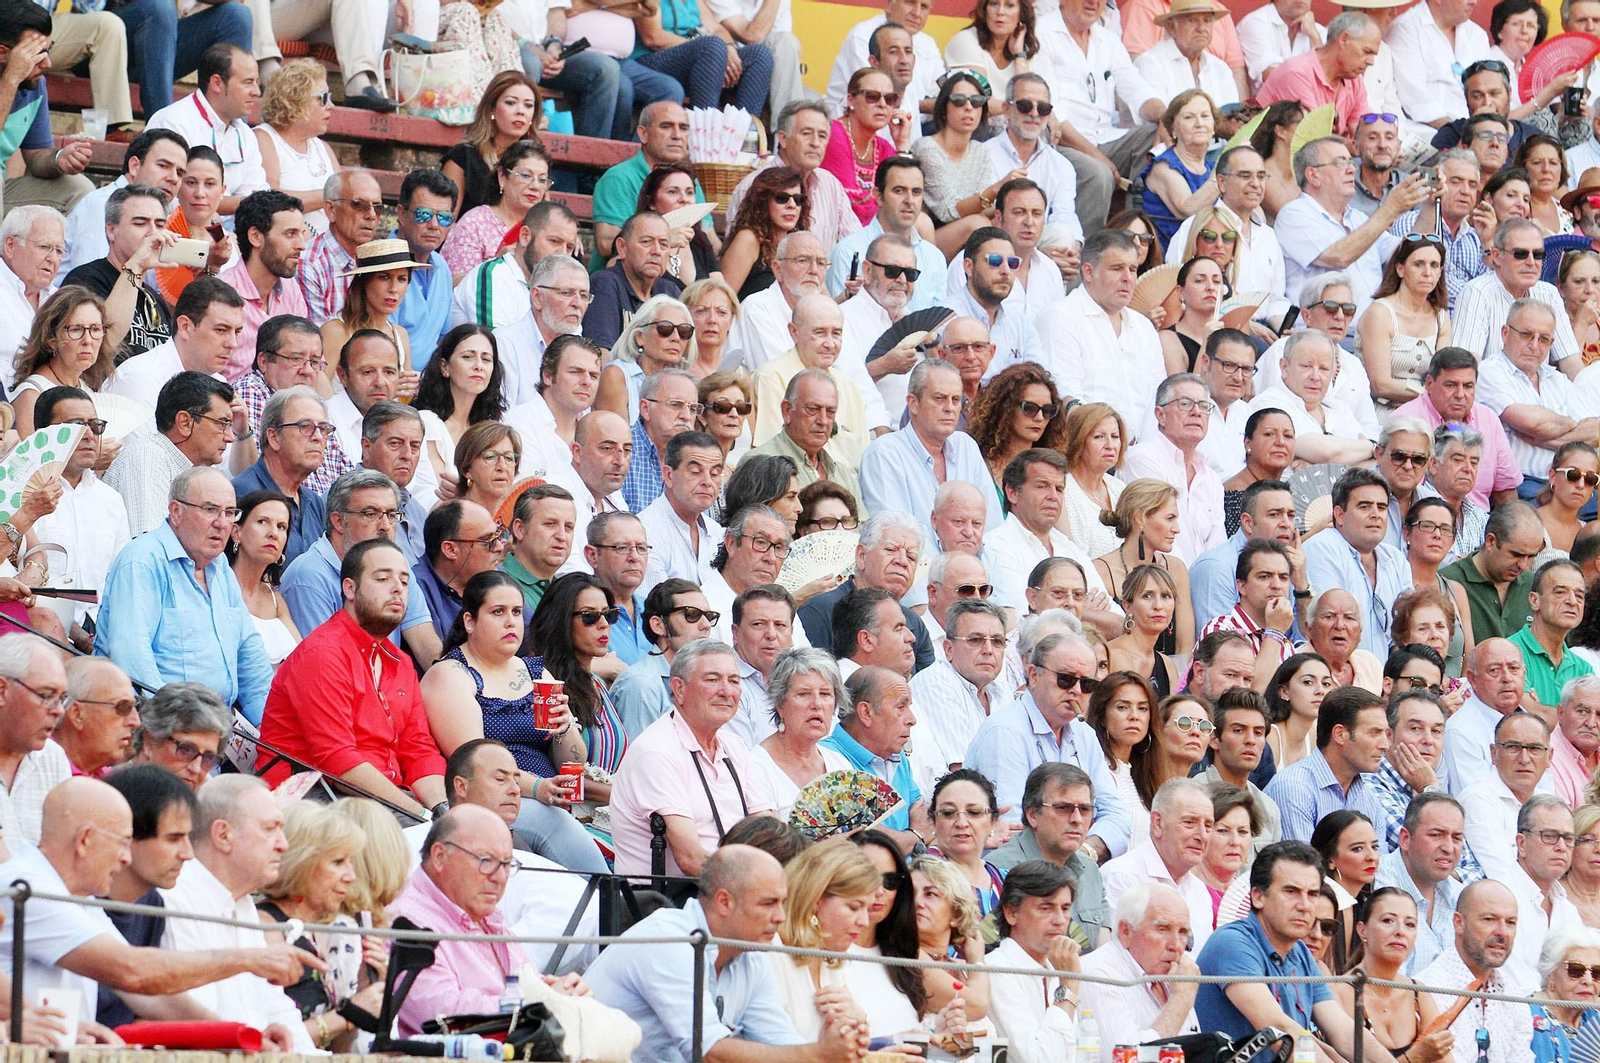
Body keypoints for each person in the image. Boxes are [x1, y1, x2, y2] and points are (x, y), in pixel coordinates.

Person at [586, 844, 869, 1062]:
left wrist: (841, 1046)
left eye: (783, 903)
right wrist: (818, 1054)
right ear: (724, 902)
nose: (781, 916)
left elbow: (781, 1043)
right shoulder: (669, 940)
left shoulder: (751, 952)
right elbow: (708, 1053)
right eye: (768, 903)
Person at [257, 538, 446, 817]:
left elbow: (419, 751)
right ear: (350, 588)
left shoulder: (401, 663)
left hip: (383, 798)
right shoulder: (323, 654)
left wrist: (442, 810)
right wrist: (420, 816)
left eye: (405, 582)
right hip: (313, 799)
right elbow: (337, 760)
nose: (397, 588)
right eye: (382, 578)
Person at [160, 775, 332, 1048]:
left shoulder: (243, 904)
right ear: (223, 835)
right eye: (270, 828)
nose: (283, 845)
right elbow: (199, 1018)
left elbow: (277, 1007)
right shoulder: (175, 898)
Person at [97, 467, 273, 726]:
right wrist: (186, 728)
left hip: (219, 730)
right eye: (210, 509)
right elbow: (134, 664)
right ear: (176, 512)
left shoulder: (220, 566)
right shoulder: (143, 561)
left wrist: (272, 727)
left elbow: (250, 658)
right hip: (160, 729)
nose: (222, 523)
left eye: (229, 513)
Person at [388, 804, 583, 1037]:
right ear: (440, 856)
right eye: (486, 861)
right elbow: (441, 1016)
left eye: (506, 864)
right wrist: (542, 1002)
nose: (499, 877)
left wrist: (560, 990)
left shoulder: (483, 914)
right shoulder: (406, 919)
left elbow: (525, 981)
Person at [1195, 840, 1390, 1059]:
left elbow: (1345, 1032)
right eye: (1291, 891)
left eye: (1312, 894)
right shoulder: (1232, 943)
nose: (1304, 905)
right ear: (1258, 896)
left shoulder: (1300, 953)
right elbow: (1280, 1033)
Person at [610, 639, 776, 877]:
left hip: (732, 887)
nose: (726, 691)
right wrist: (761, 881)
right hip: (670, 902)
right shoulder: (656, 752)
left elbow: (769, 830)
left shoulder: (734, 746)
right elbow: (690, 859)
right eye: (712, 680)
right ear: (679, 688)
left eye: (734, 681)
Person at [966, 631, 1129, 858]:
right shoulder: (1005, 732)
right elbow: (1011, 829)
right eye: (1066, 679)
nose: (1076, 691)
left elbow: (1117, 816)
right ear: (1033, 675)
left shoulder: (1085, 734)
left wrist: (1085, 851)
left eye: (1088, 684)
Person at [255, 801, 383, 1050]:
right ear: (301, 862)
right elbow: (269, 1041)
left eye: (351, 862)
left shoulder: (318, 931)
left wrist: (367, 995)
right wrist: (350, 1012)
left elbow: (337, 1050)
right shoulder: (266, 928)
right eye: (338, 862)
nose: (351, 876)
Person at [1274, 135, 1420, 310]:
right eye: (1341, 163)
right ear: (1313, 175)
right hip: (1319, 333)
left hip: (1372, 328)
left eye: (1351, 163)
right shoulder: (1294, 214)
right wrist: (1390, 209)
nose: (1351, 170)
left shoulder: (1358, 218)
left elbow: (1409, 253)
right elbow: (1339, 257)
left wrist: (1431, 206)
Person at [1036, 229, 1164, 417]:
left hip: (1143, 445)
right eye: (1117, 268)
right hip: (1082, 441)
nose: (1127, 278)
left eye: (1132, 269)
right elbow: (1065, 396)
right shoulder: (1060, 318)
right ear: (1088, 272)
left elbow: (1159, 399)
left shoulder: (1144, 327)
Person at [525, 572, 631, 793]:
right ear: (561, 621)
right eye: (589, 617)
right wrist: (629, 797)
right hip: (570, 816)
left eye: (608, 615)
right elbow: (560, 776)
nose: (603, 625)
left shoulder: (597, 683)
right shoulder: (545, 686)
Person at [989, 763, 1113, 945]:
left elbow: (1102, 952)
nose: (1077, 819)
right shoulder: (998, 869)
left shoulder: (1090, 870)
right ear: (1032, 814)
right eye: (1063, 808)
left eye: (1085, 809)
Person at [798, 511, 937, 670]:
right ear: (861, 556)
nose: (902, 561)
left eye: (911, 557)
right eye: (891, 550)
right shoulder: (820, 611)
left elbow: (927, 686)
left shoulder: (914, 623)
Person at [1078, 883, 1203, 1059]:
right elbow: (1130, 1060)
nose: (1176, 945)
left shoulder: (1174, 974)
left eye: (1183, 932)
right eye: (1162, 929)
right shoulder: (1098, 974)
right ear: (1126, 931)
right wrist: (1181, 1000)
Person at [984, 860, 1084, 1063]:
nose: (1059, 920)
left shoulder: (1058, 969)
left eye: (1065, 909)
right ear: (1011, 913)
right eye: (1046, 908)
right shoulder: (996, 970)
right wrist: (1069, 986)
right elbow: (1037, 1060)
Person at [1304, 467, 1409, 657]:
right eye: (1364, 506)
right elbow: (1330, 630)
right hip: (1335, 673)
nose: (1376, 514)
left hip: (1383, 677)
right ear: (1339, 515)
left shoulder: (1396, 559)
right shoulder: (1322, 548)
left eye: (1382, 507)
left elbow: (1405, 629)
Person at [1416, 880, 1529, 1057]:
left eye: (1510, 922)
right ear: (1458, 922)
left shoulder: (1515, 996)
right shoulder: (1428, 989)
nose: (1502, 932)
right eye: (1489, 919)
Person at [1264, 685, 1389, 843]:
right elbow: (1304, 865)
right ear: (1340, 734)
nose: (1385, 745)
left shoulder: (1370, 799)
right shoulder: (1293, 788)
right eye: (1374, 733)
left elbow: (1377, 864)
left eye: (1386, 734)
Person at [1124, 372, 1225, 564]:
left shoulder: (1211, 478)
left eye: (1204, 406)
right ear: (1160, 415)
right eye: (1185, 403)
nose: (1197, 412)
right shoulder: (1143, 459)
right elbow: (1155, 539)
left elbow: (1217, 548)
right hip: (1159, 582)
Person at [230, 387, 330, 568]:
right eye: (305, 427)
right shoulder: (241, 494)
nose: (318, 437)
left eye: (324, 429)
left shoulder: (314, 501)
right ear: (274, 437)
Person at [1094, 479, 1196, 655]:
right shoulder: (1100, 572)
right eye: (1169, 518)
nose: (1177, 529)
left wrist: (1175, 681)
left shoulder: (1176, 569)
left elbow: (1185, 647)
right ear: (1140, 518)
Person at [750, 648, 853, 815]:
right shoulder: (756, 766)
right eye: (804, 694)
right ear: (780, 704)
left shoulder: (839, 763)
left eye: (825, 694)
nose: (817, 704)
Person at [1357, 235, 1452, 415]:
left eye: (1434, 265)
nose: (1427, 272)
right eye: (1418, 264)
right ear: (1400, 269)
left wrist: (1428, 400)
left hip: (1425, 411)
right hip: (1378, 410)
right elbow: (1380, 384)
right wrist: (1429, 396)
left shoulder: (1441, 317)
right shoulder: (1380, 313)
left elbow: (1443, 378)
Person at [1460, 712, 1557, 885]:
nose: (1524, 759)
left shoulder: (1551, 803)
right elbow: (1502, 877)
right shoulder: (1478, 799)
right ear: (1494, 753)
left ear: (1549, 757)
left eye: (1535, 749)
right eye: (1513, 747)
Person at [441, 141, 548, 282]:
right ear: (502, 176)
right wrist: (495, 266)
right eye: (526, 176)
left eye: (542, 180)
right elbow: (452, 286)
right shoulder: (475, 223)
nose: (535, 186)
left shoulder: (546, 228)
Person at [968, 362, 1067, 513]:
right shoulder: (977, 463)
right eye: (1030, 408)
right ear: (1005, 408)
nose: (1040, 417)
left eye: (1048, 410)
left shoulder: (1053, 471)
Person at [1440, 501, 1542, 643]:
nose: (1524, 565)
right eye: (1516, 555)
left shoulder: (1535, 585)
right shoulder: (1448, 582)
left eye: (1531, 556)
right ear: (1490, 541)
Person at [225, 490, 299, 669]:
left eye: (282, 526)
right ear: (236, 532)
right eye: (262, 522)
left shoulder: (275, 598)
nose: (273, 533)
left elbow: (302, 659)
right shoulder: (218, 587)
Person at [1, 208, 69, 395]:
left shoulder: (59, 300)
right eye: (44, 247)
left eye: (59, 251)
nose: (53, 259)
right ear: (10, 245)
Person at [1511, 559, 1593, 711]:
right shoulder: (1509, 654)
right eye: (1560, 592)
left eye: (1579, 596)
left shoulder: (1583, 668)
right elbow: (1533, 718)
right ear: (1535, 600)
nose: (1572, 601)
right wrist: (1577, 717)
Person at [127, 682, 229, 790]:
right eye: (186, 750)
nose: (196, 769)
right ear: (149, 741)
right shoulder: (112, 792)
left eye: (208, 757)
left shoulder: (207, 798)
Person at [1536, 443, 1598, 557]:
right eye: (1573, 474)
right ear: (1552, 476)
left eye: (1590, 478)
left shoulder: (1590, 534)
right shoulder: (1529, 523)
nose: (1581, 485)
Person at [1551, 676, 1600, 806]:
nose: (1591, 723)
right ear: (1560, 712)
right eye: (1582, 712)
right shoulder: (1547, 758)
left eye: (1599, 714)